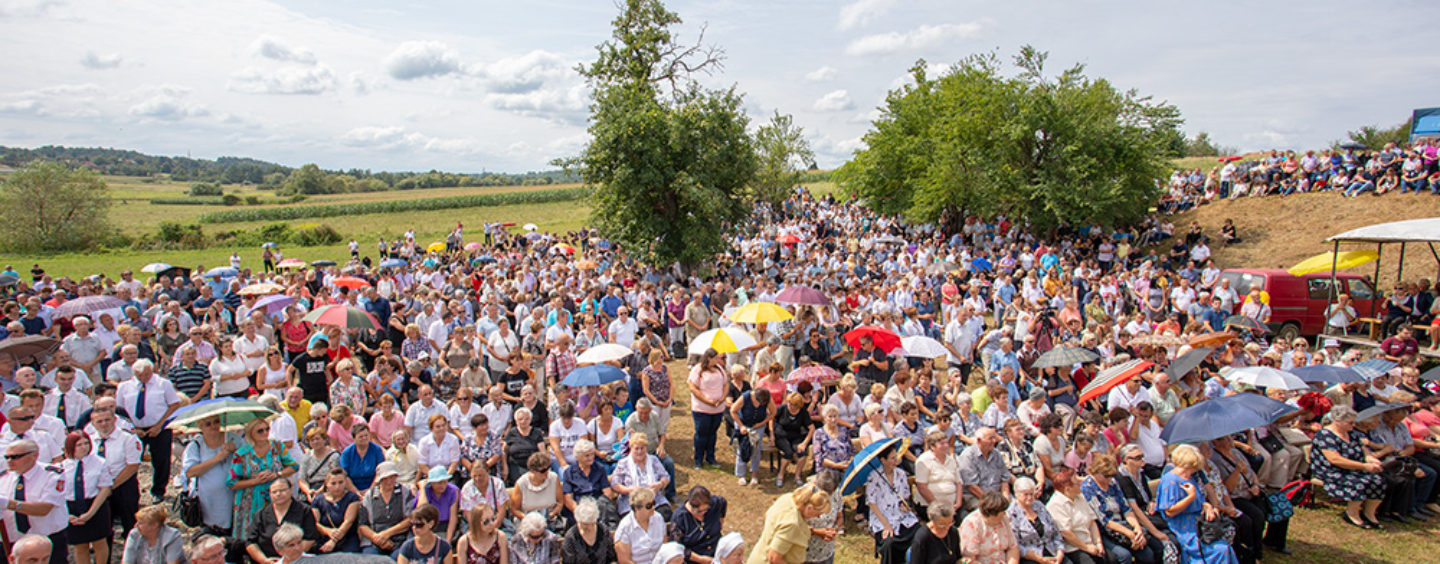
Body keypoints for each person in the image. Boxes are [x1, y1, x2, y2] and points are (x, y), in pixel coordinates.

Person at [1156, 445, 1238, 564]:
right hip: (1183, 524)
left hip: (1198, 521)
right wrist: (1190, 497)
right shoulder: (1170, 480)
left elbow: (1200, 500)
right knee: (1219, 550)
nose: (1193, 472)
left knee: (1224, 546)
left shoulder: (1189, 478)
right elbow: (1170, 511)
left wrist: (1207, 505)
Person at [115, 359, 181, 500]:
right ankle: (131, 493)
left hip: (159, 427)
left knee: (161, 460)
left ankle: (158, 491)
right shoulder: (125, 386)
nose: (144, 378)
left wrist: (160, 425)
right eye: (140, 375)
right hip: (134, 429)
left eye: (146, 374)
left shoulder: (163, 384)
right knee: (130, 460)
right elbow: (120, 411)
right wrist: (133, 428)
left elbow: (174, 404)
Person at [1080, 453, 1165, 564]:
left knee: (1149, 553)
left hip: (1124, 524)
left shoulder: (1113, 483)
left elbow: (1126, 509)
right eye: (1106, 476)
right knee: (1124, 556)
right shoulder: (1088, 488)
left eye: (1111, 476)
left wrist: (1137, 529)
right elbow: (1104, 521)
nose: (1109, 479)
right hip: (1106, 531)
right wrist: (1129, 534)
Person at [1311, 405, 1386, 528]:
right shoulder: (1325, 435)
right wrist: (1363, 466)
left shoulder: (1352, 434)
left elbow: (1364, 453)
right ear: (1337, 421)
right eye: (1350, 423)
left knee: (1379, 481)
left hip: (1353, 468)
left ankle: (1369, 514)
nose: (1353, 425)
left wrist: (1372, 461)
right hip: (1331, 470)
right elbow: (1335, 459)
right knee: (1360, 483)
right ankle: (1351, 514)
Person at [229, 418, 299, 543]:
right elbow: (231, 483)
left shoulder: (277, 446)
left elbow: (293, 466)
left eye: (267, 429)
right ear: (251, 433)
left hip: (276, 497)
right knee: (250, 536)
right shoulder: (241, 454)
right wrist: (255, 481)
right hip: (250, 501)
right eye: (260, 431)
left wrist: (277, 474)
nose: (265, 433)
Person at [747, 483, 829, 564]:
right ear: (809, 508)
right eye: (819, 513)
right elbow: (774, 558)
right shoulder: (792, 523)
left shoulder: (787, 498)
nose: (818, 516)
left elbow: (767, 516)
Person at [62, 431, 111, 564]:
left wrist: (90, 513)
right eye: (79, 445)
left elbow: (105, 489)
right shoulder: (62, 467)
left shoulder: (99, 462)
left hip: (95, 504)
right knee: (80, 546)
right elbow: (58, 494)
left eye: (86, 443)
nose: (84, 447)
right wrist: (67, 515)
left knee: (99, 543)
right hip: (72, 507)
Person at [865, 442, 919, 564]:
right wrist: (886, 525)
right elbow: (871, 503)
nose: (896, 460)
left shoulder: (900, 473)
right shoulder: (873, 476)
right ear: (883, 460)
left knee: (919, 534)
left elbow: (905, 495)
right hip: (882, 517)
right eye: (892, 458)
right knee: (889, 543)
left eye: (896, 457)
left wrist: (904, 504)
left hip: (901, 515)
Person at [244, 478, 320, 564]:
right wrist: (264, 560)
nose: (278, 494)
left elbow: (310, 538)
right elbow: (250, 542)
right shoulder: (261, 514)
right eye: (274, 492)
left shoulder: (304, 511)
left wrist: (288, 558)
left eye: (282, 490)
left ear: (291, 490)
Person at [1046, 469, 1106, 564]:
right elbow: (1066, 533)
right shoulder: (1056, 504)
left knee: (1111, 559)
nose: (1080, 484)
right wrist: (1087, 548)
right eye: (1076, 483)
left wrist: (1098, 543)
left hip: (1089, 542)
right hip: (1073, 547)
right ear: (1067, 489)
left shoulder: (1080, 497)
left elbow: (1092, 522)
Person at [359, 462, 415, 555]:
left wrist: (387, 534)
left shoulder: (404, 492)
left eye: (392, 477)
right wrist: (378, 538)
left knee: (399, 557)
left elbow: (409, 519)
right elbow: (363, 525)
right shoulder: (370, 495)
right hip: (375, 540)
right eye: (385, 478)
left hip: (400, 539)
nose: (389, 481)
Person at [1006, 477, 1066, 564]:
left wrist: (1060, 554)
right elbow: (1016, 545)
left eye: (1031, 494)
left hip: (1052, 551)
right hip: (1032, 558)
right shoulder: (1011, 513)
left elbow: (1055, 532)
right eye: (1026, 494)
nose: (1030, 497)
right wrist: (1040, 559)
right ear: (1016, 493)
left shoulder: (1039, 506)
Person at [612, 433, 671, 516]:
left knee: (665, 514)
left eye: (642, 448)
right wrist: (630, 490)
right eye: (636, 449)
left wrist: (660, 484)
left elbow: (665, 477)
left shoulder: (653, 460)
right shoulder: (623, 463)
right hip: (632, 502)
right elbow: (615, 484)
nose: (639, 452)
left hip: (654, 500)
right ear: (631, 448)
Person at [687, 348, 728, 469]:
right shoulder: (698, 370)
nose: (718, 360)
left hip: (717, 408)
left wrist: (722, 398)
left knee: (712, 433)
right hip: (702, 409)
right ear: (709, 358)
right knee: (701, 433)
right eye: (716, 358)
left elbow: (726, 384)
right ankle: (698, 459)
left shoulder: (720, 369)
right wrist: (707, 400)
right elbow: (693, 387)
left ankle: (711, 457)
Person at [729, 384, 774, 486]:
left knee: (756, 450)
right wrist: (741, 426)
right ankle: (741, 475)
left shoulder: (767, 398)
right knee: (742, 448)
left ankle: (754, 474)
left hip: (758, 426)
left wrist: (761, 424)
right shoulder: (745, 397)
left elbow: (773, 413)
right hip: (743, 423)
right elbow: (733, 410)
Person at [311, 468, 362, 553]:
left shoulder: (352, 498)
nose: (337, 487)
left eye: (341, 482)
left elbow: (348, 521)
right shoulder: (318, 500)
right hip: (325, 537)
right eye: (333, 483)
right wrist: (328, 531)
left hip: (347, 537)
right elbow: (315, 522)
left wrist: (333, 541)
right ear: (326, 484)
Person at [959, 491, 1018, 564]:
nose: (1005, 513)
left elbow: (1013, 548)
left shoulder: (1004, 519)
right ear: (992, 513)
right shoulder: (972, 523)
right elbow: (969, 559)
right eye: (1002, 511)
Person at [672, 485, 727, 563]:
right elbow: (677, 548)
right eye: (699, 511)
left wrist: (720, 522)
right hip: (695, 559)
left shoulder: (714, 504)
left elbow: (722, 502)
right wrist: (701, 560)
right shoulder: (680, 517)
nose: (703, 513)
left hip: (717, 552)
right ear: (690, 505)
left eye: (706, 510)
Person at [772, 392, 815, 488]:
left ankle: (797, 475)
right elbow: (772, 419)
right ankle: (781, 474)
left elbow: (812, 428)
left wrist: (804, 443)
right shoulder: (782, 409)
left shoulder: (803, 413)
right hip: (781, 435)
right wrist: (771, 434)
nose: (790, 406)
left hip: (796, 436)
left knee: (802, 454)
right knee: (788, 453)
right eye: (789, 403)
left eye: (793, 405)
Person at [615, 486, 667, 564]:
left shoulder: (658, 518)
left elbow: (664, 547)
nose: (653, 507)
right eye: (649, 506)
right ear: (637, 508)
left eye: (654, 503)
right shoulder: (626, 526)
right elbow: (624, 561)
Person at [509, 452, 564, 527]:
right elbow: (514, 509)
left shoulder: (554, 478)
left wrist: (551, 514)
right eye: (543, 471)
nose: (547, 473)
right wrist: (529, 519)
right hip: (528, 522)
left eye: (548, 468)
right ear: (532, 471)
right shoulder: (522, 483)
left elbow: (560, 502)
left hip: (550, 520)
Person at [120, 506, 184, 564]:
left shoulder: (172, 536)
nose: (136, 526)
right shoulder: (134, 534)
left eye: (141, 523)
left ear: (154, 525)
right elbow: (126, 561)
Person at [561, 499, 614, 564]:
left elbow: (612, 558)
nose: (589, 527)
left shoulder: (603, 530)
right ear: (578, 521)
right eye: (585, 524)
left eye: (592, 523)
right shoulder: (571, 537)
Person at [418, 466, 462, 544]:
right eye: (439, 482)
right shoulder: (426, 491)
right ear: (431, 483)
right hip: (428, 526)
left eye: (445, 481)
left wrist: (448, 541)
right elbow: (421, 511)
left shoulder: (453, 490)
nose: (443, 485)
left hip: (446, 526)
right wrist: (422, 489)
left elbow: (453, 518)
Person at [505, 408, 546, 483]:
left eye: (526, 419)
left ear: (530, 420)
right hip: (516, 465)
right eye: (520, 419)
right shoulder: (512, 433)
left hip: (534, 465)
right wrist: (505, 467)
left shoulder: (537, 432)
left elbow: (542, 452)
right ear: (516, 421)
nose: (523, 421)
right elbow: (505, 450)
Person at [340, 424, 385, 491]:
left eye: (366, 435)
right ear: (354, 438)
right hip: (352, 488)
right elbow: (345, 475)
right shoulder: (347, 453)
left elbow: (380, 471)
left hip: (374, 487)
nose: (364, 438)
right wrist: (356, 492)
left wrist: (370, 490)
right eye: (360, 437)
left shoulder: (377, 449)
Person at [298, 428, 339, 499]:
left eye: (317, 439)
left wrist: (319, 492)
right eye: (312, 440)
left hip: (327, 487)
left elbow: (333, 476)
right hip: (311, 487)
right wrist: (308, 491)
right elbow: (301, 479)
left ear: (324, 439)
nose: (315, 442)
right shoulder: (306, 456)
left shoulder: (333, 455)